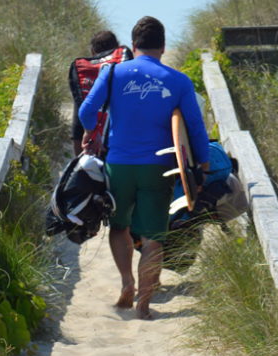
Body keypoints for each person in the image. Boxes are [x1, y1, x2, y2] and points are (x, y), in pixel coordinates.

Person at [77, 16, 208, 319]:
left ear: (133, 46)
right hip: (158, 167)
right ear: (163, 47)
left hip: (118, 164)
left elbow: (87, 110)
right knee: (153, 237)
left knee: (120, 226)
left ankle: (126, 283)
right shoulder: (178, 80)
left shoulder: (112, 73)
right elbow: (195, 128)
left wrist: (89, 132)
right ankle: (144, 305)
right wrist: (201, 163)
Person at [68, 30, 133, 157]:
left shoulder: (83, 74)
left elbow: (77, 125)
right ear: (117, 49)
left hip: (92, 146)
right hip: (119, 145)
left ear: (92, 52)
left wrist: (80, 159)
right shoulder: (125, 68)